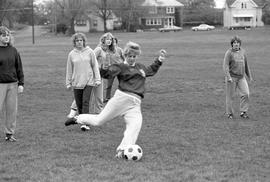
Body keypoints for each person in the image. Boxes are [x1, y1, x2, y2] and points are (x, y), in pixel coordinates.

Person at [65, 41, 166, 158]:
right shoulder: (121, 67)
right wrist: (100, 68)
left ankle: (122, 151)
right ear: (125, 56)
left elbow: (151, 70)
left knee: (135, 126)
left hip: (135, 104)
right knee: (99, 121)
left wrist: (160, 59)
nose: (132, 58)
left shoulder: (141, 68)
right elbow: (108, 73)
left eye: (134, 56)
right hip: (121, 99)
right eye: (129, 56)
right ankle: (78, 118)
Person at [66, 33, 124, 128]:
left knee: (97, 97)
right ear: (103, 40)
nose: (109, 41)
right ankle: (73, 112)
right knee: (82, 98)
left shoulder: (109, 50)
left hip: (99, 75)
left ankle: (98, 115)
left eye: (111, 39)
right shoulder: (98, 49)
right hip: (91, 75)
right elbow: (91, 61)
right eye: (107, 39)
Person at [66, 32, 101, 130]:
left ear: (84, 41)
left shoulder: (90, 52)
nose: (79, 42)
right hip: (76, 82)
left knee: (86, 102)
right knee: (79, 103)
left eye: (81, 40)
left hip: (89, 81)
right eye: (77, 41)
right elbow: (69, 69)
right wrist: (68, 82)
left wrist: (97, 79)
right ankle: (82, 121)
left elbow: (95, 66)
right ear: (74, 42)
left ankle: (85, 124)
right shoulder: (71, 54)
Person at [0, 26, 24, 142]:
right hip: (0, 85)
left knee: (11, 110)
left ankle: (9, 134)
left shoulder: (13, 50)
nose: (6, 37)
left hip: (13, 84)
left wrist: (21, 83)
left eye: (8, 35)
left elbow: (19, 67)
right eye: (3, 35)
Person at [223, 36, 253, 119]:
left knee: (246, 93)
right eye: (234, 43)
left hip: (241, 77)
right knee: (230, 96)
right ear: (232, 44)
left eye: (237, 43)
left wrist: (249, 76)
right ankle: (229, 113)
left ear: (240, 44)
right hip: (232, 78)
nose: (236, 44)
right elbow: (225, 66)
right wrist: (228, 77)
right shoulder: (229, 53)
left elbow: (246, 65)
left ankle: (243, 112)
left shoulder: (243, 52)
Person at [104, 37, 125, 103]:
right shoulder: (108, 50)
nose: (114, 43)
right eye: (113, 42)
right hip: (111, 70)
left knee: (122, 84)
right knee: (109, 85)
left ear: (117, 43)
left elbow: (124, 59)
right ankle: (107, 98)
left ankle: (123, 98)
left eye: (115, 42)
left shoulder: (120, 50)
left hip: (120, 69)